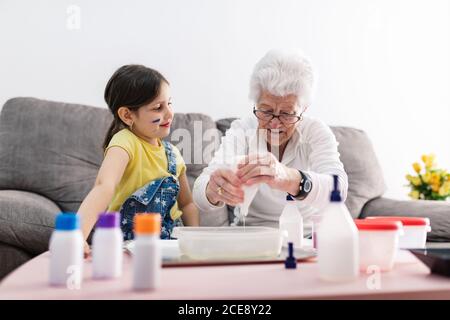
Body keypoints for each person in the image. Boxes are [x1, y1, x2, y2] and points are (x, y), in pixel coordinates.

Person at [192, 49, 348, 234]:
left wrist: (287, 177)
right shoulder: (243, 129)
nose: (274, 123)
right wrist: (213, 189)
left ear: (303, 109)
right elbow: (199, 193)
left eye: (287, 113)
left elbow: (339, 188)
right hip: (251, 236)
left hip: (305, 236)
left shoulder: (315, 131)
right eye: (265, 111)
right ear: (256, 103)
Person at [78, 64, 199, 256]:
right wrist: (78, 236)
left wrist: (195, 241)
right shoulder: (125, 142)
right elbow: (104, 186)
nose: (169, 113)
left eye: (169, 103)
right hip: (125, 247)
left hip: (166, 247)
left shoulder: (174, 154)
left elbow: (187, 204)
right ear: (127, 115)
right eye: (158, 108)